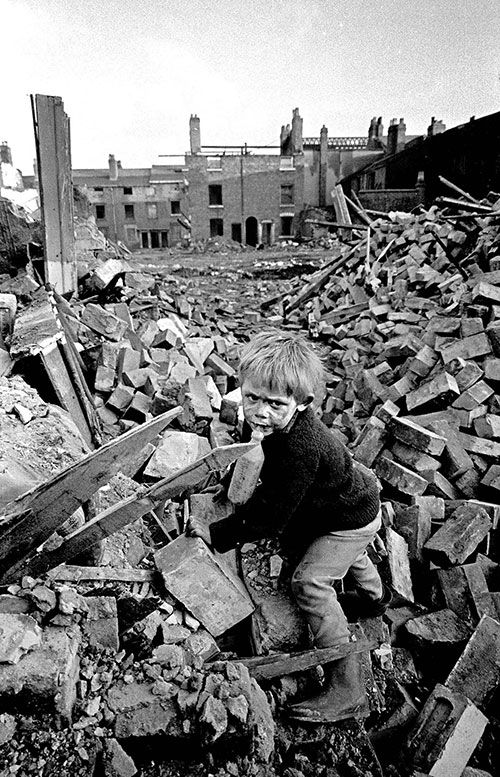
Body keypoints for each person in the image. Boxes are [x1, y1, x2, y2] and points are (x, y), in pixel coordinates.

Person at [188, 329, 391, 724]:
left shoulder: (301, 447)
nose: (260, 413)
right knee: (336, 550)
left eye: (274, 405)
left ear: (302, 404)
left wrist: (216, 535)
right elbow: (261, 458)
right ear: (241, 389)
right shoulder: (278, 424)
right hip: (346, 505)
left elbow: (270, 516)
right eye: (252, 399)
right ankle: (373, 597)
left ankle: (348, 687)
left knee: (309, 582)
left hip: (349, 520)